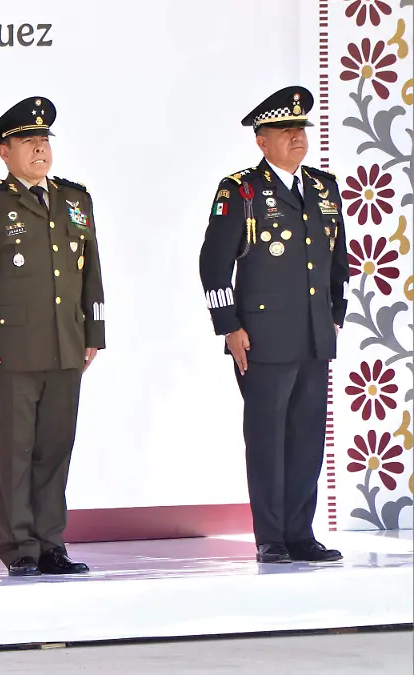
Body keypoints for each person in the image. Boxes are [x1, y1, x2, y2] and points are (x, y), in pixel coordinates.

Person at [0, 96, 105, 577]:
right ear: (4, 151)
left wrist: (93, 331)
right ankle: (19, 546)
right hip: (10, 351)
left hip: (66, 345)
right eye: (27, 142)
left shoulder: (75, 199)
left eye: (44, 141)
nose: (39, 150)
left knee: (55, 449)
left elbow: (91, 269)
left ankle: (51, 543)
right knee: (15, 451)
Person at [198, 85, 346, 564]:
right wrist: (229, 326)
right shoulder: (240, 190)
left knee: (307, 437)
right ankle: (272, 538)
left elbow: (336, 261)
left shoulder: (324, 187)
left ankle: (301, 534)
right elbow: (213, 264)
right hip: (261, 337)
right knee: (267, 438)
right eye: (286, 130)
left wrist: (335, 316)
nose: (297, 137)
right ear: (262, 141)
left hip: (313, 335)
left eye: (301, 128)